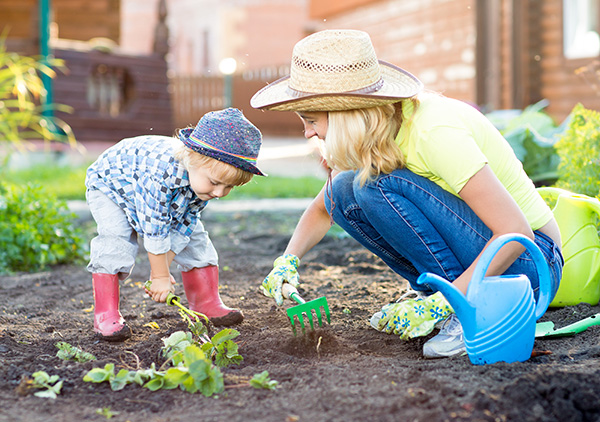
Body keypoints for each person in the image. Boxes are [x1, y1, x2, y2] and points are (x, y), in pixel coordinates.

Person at [250, 29, 564, 358]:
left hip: (528, 268)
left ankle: (464, 309)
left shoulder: (434, 132)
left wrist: (443, 304)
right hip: (497, 259)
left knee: (373, 185)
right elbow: (325, 207)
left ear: (347, 116)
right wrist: (287, 261)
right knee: (346, 188)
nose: (307, 132)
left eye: (312, 120)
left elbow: (515, 233)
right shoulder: (384, 129)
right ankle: (435, 294)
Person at [85, 108, 266, 341]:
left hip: (150, 190)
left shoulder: (202, 184)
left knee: (196, 239)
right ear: (191, 158)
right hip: (111, 186)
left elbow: (185, 226)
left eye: (229, 187)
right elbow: (155, 226)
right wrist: (160, 276)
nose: (220, 193)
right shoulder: (160, 174)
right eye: (215, 183)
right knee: (116, 240)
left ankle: (206, 303)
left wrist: (162, 267)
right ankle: (105, 314)